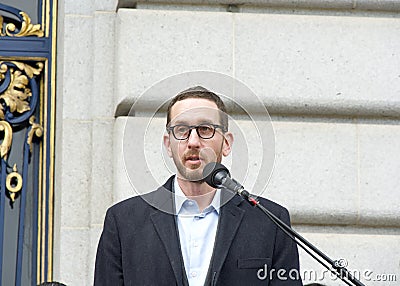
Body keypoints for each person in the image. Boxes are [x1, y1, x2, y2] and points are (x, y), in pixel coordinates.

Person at [94, 86, 302, 285]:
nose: (193, 141)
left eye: (205, 129)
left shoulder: (270, 222)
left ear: (226, 143)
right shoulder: (123, 222)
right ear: (168, 144)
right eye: (182, 130)